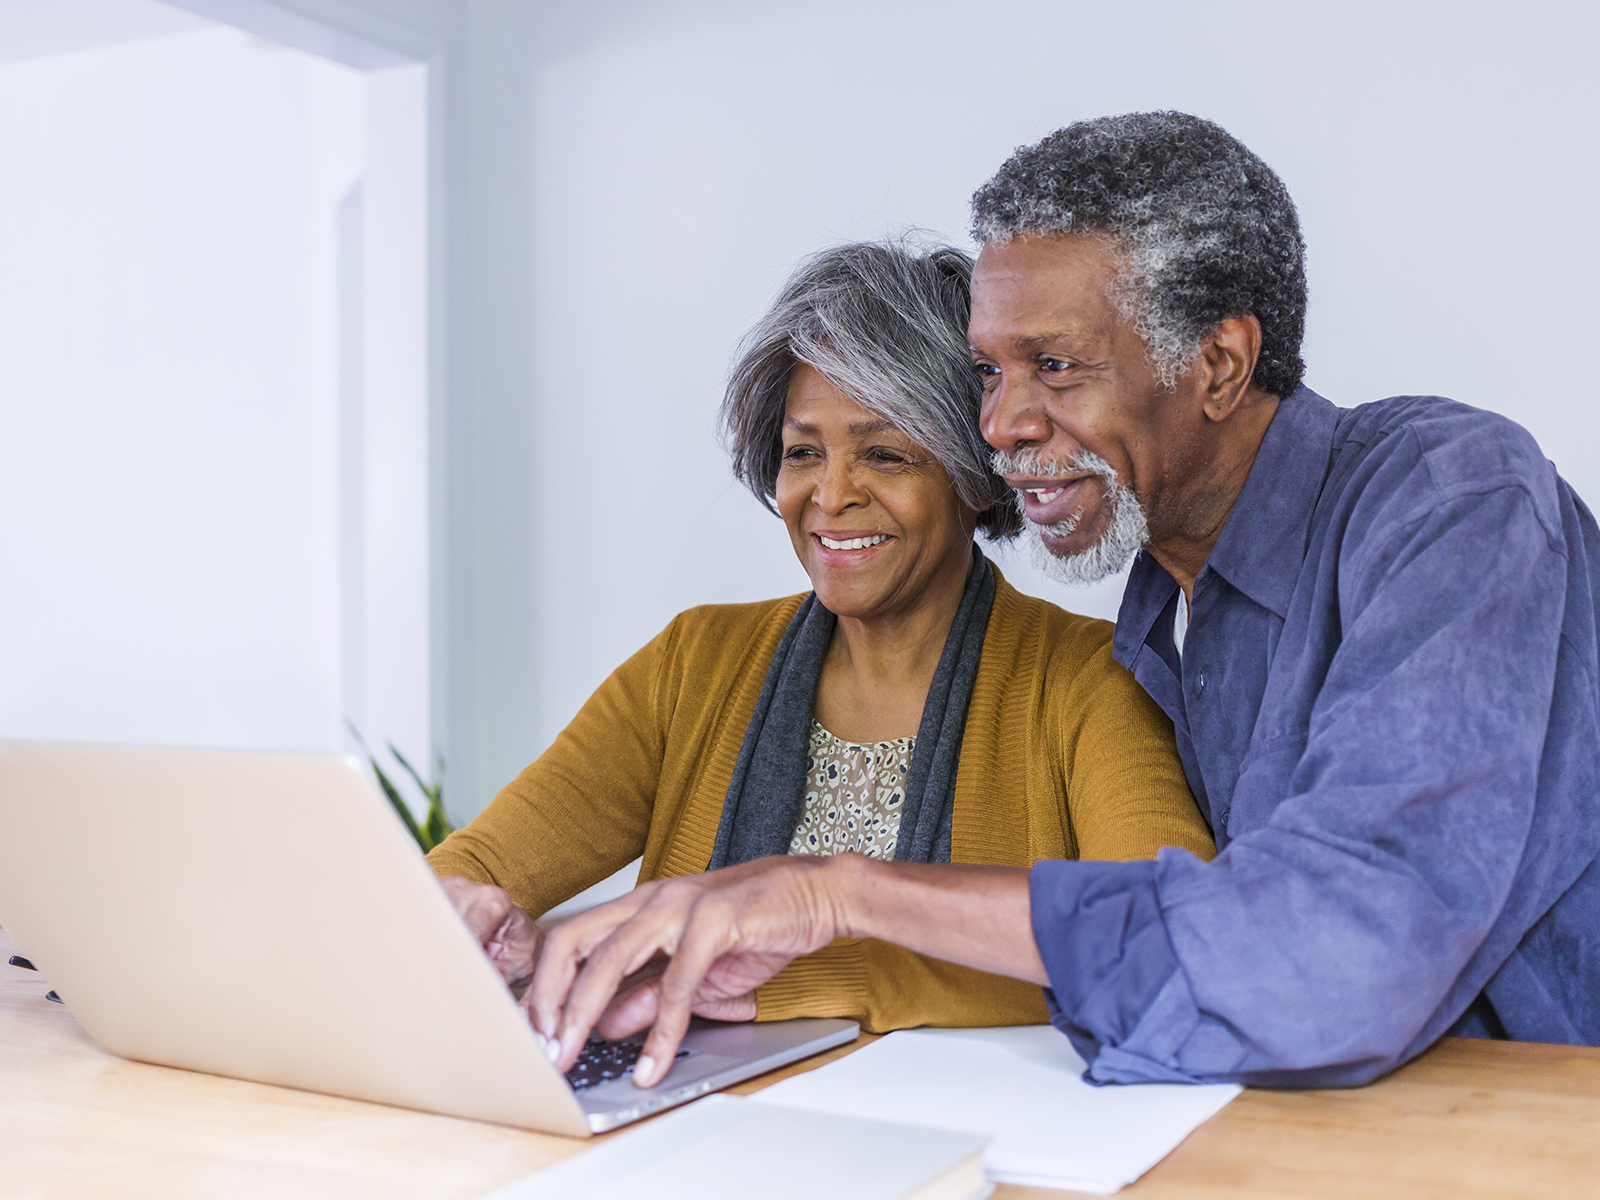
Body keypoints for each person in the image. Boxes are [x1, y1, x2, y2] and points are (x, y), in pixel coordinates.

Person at [525, 113, 1600, 1091]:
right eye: (991, 373)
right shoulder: (1166, 610)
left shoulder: (1451, 499)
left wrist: (837, 895)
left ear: (1218, 364)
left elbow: (1331, 956)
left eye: (1054, 365)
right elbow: (1191, 958)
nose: (1001, 426)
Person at [429, 239, 1214, 1040]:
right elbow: (472, 869)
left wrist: (744, 976)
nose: (831, 494)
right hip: (691, 1122)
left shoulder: (1089, 682)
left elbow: (1167, 943)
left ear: (974, 474)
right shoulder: (693, 664)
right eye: (803, 452)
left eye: (883, 454)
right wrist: (474, 918)